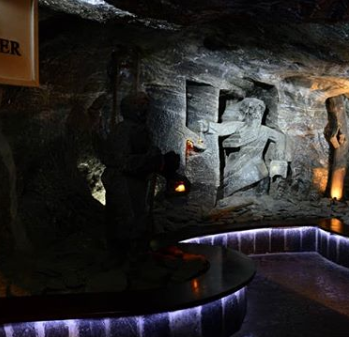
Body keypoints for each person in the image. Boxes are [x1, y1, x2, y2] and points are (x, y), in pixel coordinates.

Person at [102, 92, 179, 257]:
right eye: (139, 105)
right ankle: (123, 262)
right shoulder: (124, 130)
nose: (144, 110)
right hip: (123, 183)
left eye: (145, 105)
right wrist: (156, 161)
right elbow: (120, 160)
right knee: (126, 221)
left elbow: (146, 154)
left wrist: (160, 161)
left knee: (137, 220)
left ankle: (135, 257)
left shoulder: (139, 130)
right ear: (130, 109)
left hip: (135, 182)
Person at [198, 98, 290, 197]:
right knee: (232, 188)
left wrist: (279, 156)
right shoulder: (239, 126)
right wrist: (207, 125)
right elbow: (221, 128)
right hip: (237, 166)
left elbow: (281, 137)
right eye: (251, 110)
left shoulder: (265, 131)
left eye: (258, 110)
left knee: (256, 185)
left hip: (256, 167)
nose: (255, 114)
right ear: (245, 112)